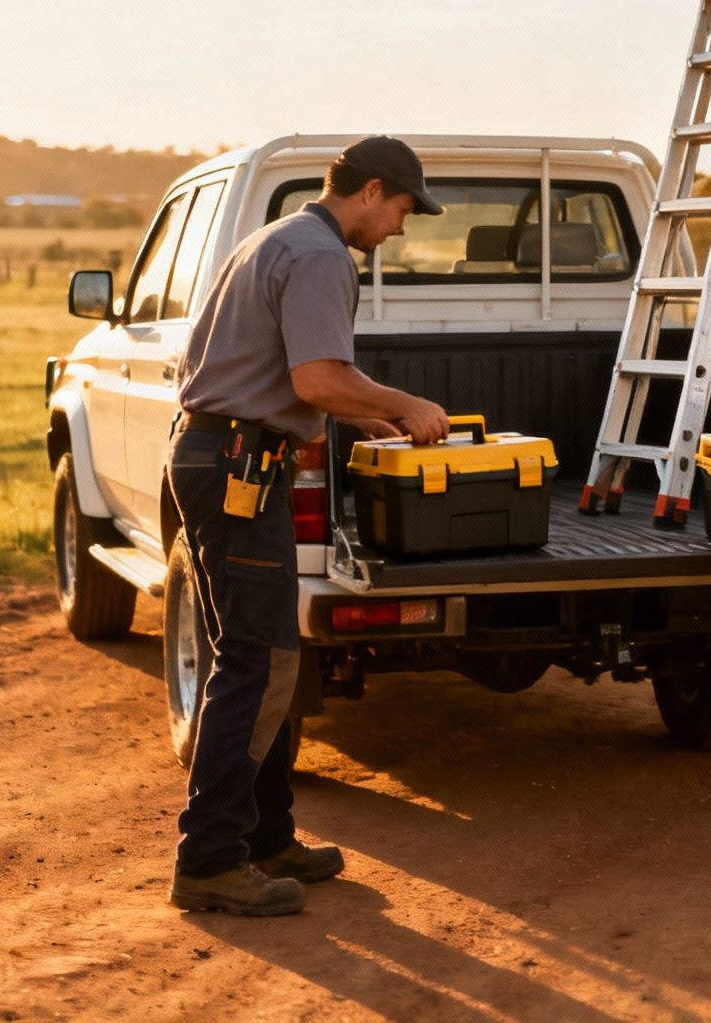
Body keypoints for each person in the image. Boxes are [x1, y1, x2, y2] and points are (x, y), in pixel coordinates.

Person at [166, 136, 453, 916]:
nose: (399, 226)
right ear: (370, 190)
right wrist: (405, 406)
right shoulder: (323, 256)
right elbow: (316, 377)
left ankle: (264, 838)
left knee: (266, 658)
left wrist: (355, 421)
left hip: (219, 457)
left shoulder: (274, 237)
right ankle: (209, 859)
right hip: (236, 468)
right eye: (401, 208)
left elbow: (290, 382)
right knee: (256, 664)